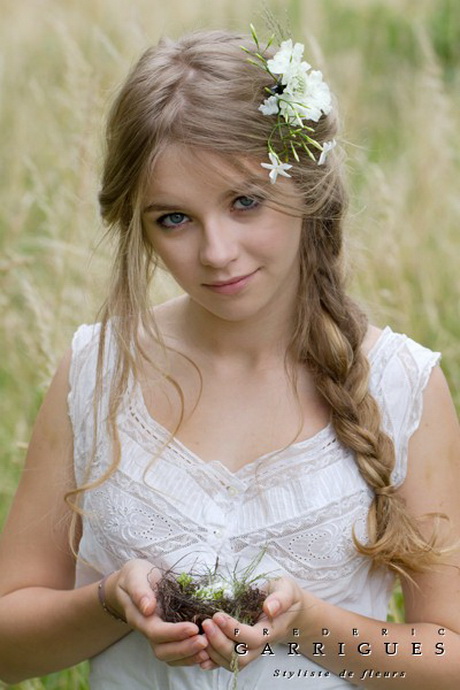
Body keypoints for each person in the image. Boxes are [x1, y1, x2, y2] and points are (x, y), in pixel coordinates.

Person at [0, 27, 459, 690]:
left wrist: (307, 623)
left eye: (245, 202)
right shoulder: (96, 372)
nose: (216, 251)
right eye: (173, 219)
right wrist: (108, 604)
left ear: (306, 187)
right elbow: (10, 649)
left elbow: (449, 659)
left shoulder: (401, 386)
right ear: (140, 225)